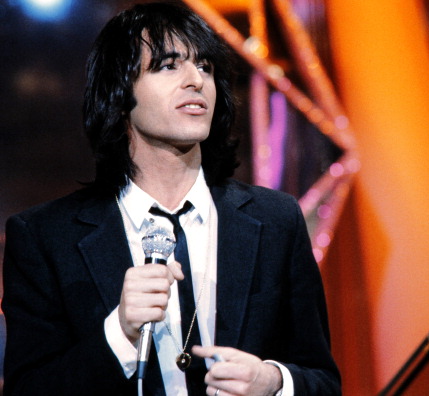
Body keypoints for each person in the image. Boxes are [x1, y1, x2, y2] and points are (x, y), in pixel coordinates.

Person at [1, 2, 341, 395]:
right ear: (119, 92)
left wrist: (274, 382)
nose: (195, 80)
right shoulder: (44, 238)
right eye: (168, 65)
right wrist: (119, 333)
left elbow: (324, 382)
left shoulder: (277, 219)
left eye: (205, 67)